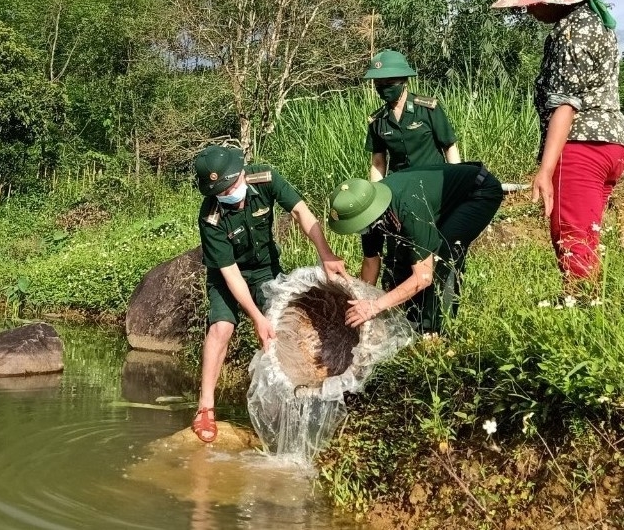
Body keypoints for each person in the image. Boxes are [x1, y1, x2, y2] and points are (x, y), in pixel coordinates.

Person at [191, 145, 348, 443]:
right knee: (221, 327)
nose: (230, 193)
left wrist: (325, 253)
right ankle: (205, 407)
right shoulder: (210, 217)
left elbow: (302, 211)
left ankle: (287, 406)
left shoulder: (264, 178)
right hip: (228, 275)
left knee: (281, 330)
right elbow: (231, 275)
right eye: (222, 191)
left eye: (233, 184)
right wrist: (255, 317)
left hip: (265, 268)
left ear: (240, 172)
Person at [492, 0, 624, 291]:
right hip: (609, 146)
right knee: (586, 240)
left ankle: (582, 317)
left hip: (580, 148)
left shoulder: (571, 32)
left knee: (573, 244)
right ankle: (591, 313)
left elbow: (566, 104)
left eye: (533, 0)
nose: (529, 7)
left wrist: (546, 170)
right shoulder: (593, 24)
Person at [326, 164, 502, 331]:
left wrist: (375, 306)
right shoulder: (368, 212)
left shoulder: (407, 208)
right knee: (409, 255)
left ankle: (437, 328)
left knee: (443, 253)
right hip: (439, 199)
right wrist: (359, 302)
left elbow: (423, 277)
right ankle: (414, 315)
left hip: (478, 192)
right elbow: (371, 263)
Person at [363, 49, 460, 182]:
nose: (384, 88)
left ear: (404, 81)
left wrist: (456, 180)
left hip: (434, 181)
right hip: (401, 186)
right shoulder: (377, 121)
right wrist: (376, 194)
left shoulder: (427, 109)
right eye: (379, 84)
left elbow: (449, 147)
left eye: (389, 83)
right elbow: (378, 163)